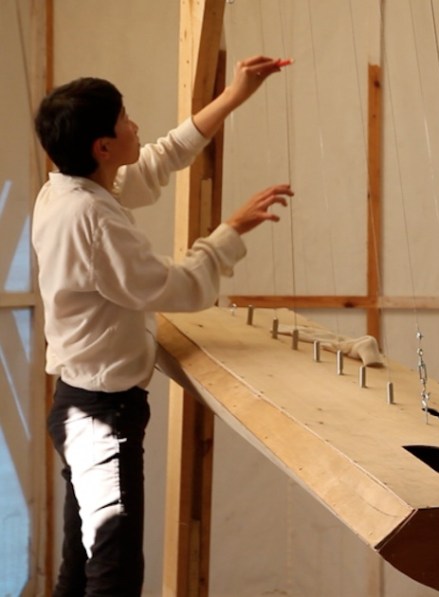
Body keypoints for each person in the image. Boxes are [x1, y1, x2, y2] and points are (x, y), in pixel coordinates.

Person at [32, 55, 293, 596]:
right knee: (113, 573)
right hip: (100, 416)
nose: (136, 126)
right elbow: (177, 287)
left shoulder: (69, 190)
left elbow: (159, 159)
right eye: (125, 120)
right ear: (103, 148)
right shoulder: (92, 219)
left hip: (82, 405)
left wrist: (234, 95)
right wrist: (231, 230)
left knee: (82, 565)